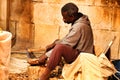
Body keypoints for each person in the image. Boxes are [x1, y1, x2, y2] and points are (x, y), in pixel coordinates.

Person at [27, 2, 94, 80]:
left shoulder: (79, 26)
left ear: (72, 16)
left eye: (65, 18)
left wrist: (46, 55)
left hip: (82, 57)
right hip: (79, 52)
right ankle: (49, 62)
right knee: (57, 43)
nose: (63, 20)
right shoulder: (80, 20)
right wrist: (53, 44)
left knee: (59, 48)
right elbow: (67, 39)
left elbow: (65, 43)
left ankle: (45, 75)